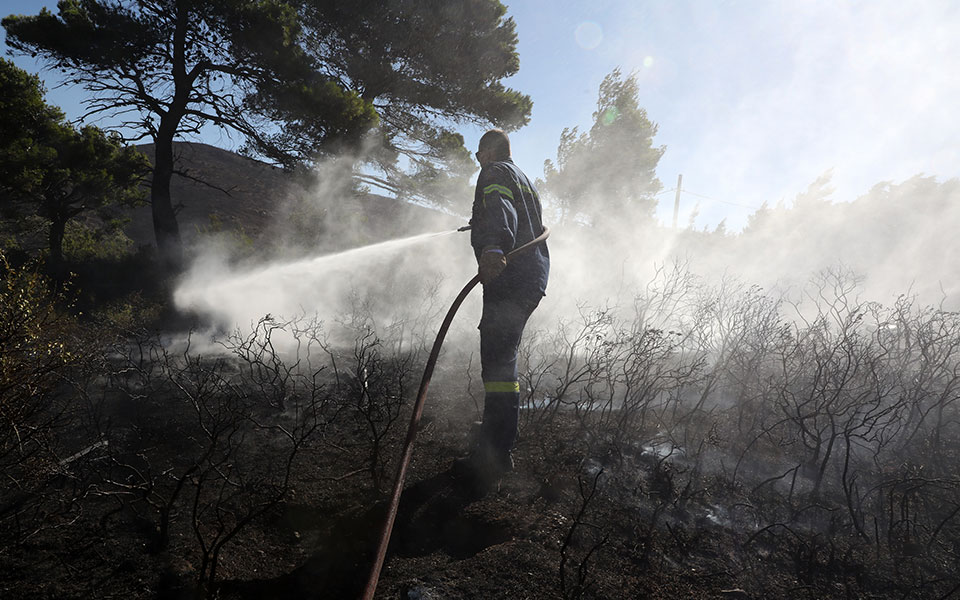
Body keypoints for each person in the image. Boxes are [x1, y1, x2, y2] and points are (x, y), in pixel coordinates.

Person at [452, 129, 550, 490]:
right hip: (531, 276)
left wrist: (493, 245)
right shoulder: (523, 177)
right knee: (502, 359)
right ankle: (496, 433)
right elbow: (519, 216)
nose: (478, 160)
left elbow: (499, 206)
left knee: (497, 362)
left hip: (511, 276)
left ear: (491, 150)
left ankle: (493, 454)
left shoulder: (494, 172)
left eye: (480, 153)